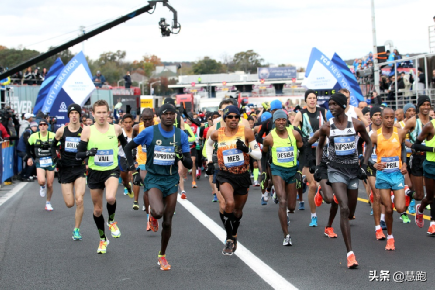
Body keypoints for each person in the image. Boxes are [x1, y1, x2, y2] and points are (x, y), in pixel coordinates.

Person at [124, 103, 192, 270]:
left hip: (171, 180)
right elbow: (128, 147)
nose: (169, 116)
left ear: (175, 116)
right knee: (158, 212)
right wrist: (132, 165)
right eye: (165, 113)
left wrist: (181, 155)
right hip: (153, 178)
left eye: (172, 114)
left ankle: (162, 255)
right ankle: (152, 215)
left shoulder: (180, 135)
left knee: (168, 222)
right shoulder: (149, 132)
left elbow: (189, 163)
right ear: (160, 116)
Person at [317, 93, 372, 269]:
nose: (331, 107)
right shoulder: (327, 126)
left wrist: (363, 164)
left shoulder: (356, 124)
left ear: (342, 105)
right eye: (329, 104)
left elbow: (369, 143)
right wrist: (319, 167)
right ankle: (350, 253)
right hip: (335, 170)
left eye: (334, 104)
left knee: (350, 212)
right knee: (344, 207)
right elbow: (319, 146)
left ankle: (330, 194)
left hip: (352, 171)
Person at [206, 105, 261, 255]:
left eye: (236, 117)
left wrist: (246, 149)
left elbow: (259, 155)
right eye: (230, 117)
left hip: (242, 175)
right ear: (225, 119)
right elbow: (208, 145)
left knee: (237, 212)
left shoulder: (247, 132)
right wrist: (209, 161)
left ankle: (234, 233)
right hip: (225, 174)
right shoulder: (217, 133)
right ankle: (229, 238)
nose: (233, 119)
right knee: (228, 203)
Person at [76, 100, 128, 254]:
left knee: (111, 198)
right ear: (93, 114)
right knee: (97, 211)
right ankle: (103, 239)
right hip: (94, 172)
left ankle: (111, 221)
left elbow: (126, 146)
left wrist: (132, 164)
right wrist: (88, 153)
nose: (101, 115)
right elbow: (78, 155)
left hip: (111, 170)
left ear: (108, 113)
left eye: (104, 112)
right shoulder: (87, 130)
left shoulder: (116, 129)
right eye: (98, 112)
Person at [262, 109, 302, 245]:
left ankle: (283, 208)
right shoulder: (269, 138)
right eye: (278, 120)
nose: (281, 122)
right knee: (283, 202)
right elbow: (264, 154)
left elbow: (303, 150)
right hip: (277, 170)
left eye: (283, 119)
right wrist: (264, 173)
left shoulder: (295, 134)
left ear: (287, 121)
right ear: (274, 122)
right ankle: (286, 235)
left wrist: (300, 169)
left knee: (291, 207)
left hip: (292, 170)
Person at [371, 108, 408, 250]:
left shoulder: (399, 133)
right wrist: (373, 164)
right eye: (386, 117)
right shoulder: (375, 136)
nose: (389, 120)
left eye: (391, 117)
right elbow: (366, 155)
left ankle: (399, 197)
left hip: (397, 174)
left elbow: (403, 149)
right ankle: (390, 238)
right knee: (388, 210)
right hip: (383, 175)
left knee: (400, 208)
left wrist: (404, 163)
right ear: (382, 118)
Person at [52, 104, 87, 240]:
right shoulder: (61, 131)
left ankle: (76, 229)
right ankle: (76, 228)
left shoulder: (85, 131)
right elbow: (52, 146)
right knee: (70, 203)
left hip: (79, 168)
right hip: (65, 169)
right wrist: (55, 158)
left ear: (79, 115)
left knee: (79, 200)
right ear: (68, 116)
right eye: (71, 113)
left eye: (76, 113)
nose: (74, 115)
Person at [292, 90, 326, 226]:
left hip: (322, 150)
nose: (312, 100)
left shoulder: (323, 112)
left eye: (314, 98)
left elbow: (331, 126)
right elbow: (293, 131)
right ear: (306, 100)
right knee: (313, 185)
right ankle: (313, 216)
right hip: (307, 151)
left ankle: (320, 192)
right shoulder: (301, 114)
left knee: (322, 184)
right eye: (310, 98)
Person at [411, 114, 435, 235]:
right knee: (430, 197)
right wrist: (433, 150)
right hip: (431, 165)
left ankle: (433, 223)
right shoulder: (430, 126)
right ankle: (420, 209)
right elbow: (416, 146)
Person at [26, 119, 57, 211]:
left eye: (44, 124)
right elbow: (28, 147)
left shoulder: (52, 135)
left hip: (50, 161)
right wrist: (29, 158)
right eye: (41, 125)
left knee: (50, 184)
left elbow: (58, 145)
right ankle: (42, 186)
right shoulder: (34, 136)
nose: (43, 126)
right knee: (42, 181)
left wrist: (57, 153)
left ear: (47, 126)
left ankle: (48, 202)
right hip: (40, 161)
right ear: (39, 127)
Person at [132, 109, 154, 213]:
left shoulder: (159, 127)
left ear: (153, 118)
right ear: (142, 119)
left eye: (150, 119)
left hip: (156, 160)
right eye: (145, 120)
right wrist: (133, 159)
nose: (148, 122)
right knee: (146, 181)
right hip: (142, 161)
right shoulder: (137, 128)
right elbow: (133, 143)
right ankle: (146, 204)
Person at [117, 114, 137, 198]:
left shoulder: (135, 131)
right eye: (126, 122)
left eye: (130, 122)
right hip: (122, 157)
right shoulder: (120, 132)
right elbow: (115, 144)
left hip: (134, 157)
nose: (128, 124)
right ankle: (127, 187)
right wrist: (120, 143)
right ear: (123, 123)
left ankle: (136, 200)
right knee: (124, 180)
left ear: (132, 122)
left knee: (134, 176)